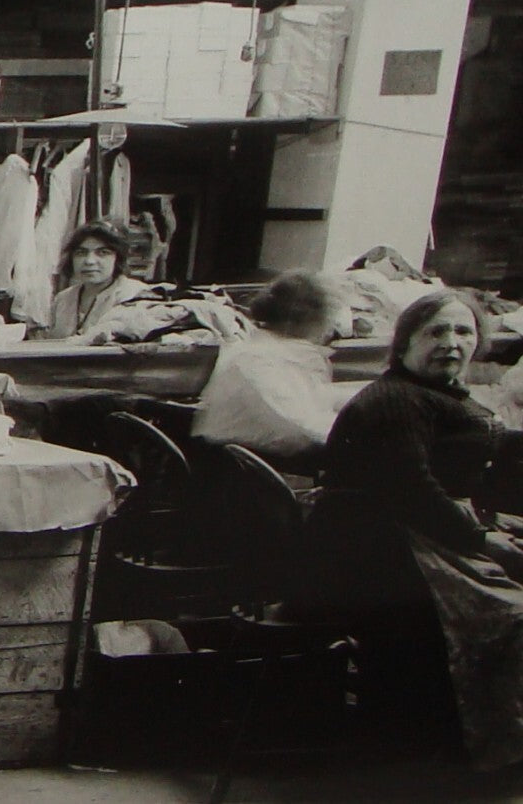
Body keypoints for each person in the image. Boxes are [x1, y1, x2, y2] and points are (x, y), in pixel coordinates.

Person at [309, 289, 523, 767]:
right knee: (512, 610)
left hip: (413, 529)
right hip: (385, 549)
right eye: (436, 331)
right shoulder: (396, 402)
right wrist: (486, 540)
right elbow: (413, 489)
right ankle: (485, 747)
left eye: (464, 331)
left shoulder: (430, 393)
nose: (452, 342)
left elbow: (468, 446)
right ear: (405, 342)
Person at [191, 269, 354, 473]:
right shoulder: (258, 358)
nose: (330, 328)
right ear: (306, 318)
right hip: (237, 473)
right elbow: (301, 422)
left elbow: (315, 397)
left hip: (261, 457)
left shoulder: (276, 350)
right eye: (329, 317)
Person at [43, 220, 149, 341]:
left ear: (118, 258)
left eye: (103, 253)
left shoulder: (135, 295)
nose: (89, 261)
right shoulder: (62, 299)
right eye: (81, 253)